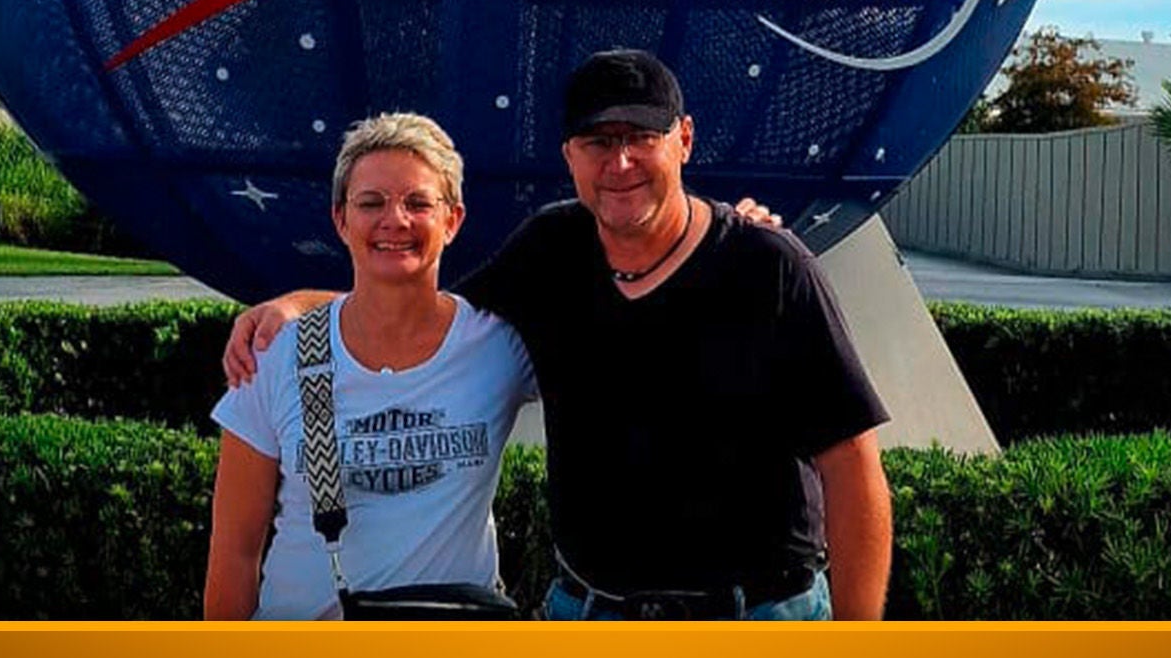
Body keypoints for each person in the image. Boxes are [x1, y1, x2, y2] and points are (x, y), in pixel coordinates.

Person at [226, 49, 894, 620]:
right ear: (569, 154)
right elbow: (417, 302)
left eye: (643, 136)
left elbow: (854, 470)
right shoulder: (552, 250)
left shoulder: (769, 267)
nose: (621, 160)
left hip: (755, 619)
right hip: (588, 614)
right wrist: (296, 304)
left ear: (684, 140)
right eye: (599, 141)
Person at [204, 112, 537, 620]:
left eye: (418, 203)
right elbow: (235, 549)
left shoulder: (497, 345)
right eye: (371, 203)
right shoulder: (280, 354)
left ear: (453, 220)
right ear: (341, 219)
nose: (394, 220)